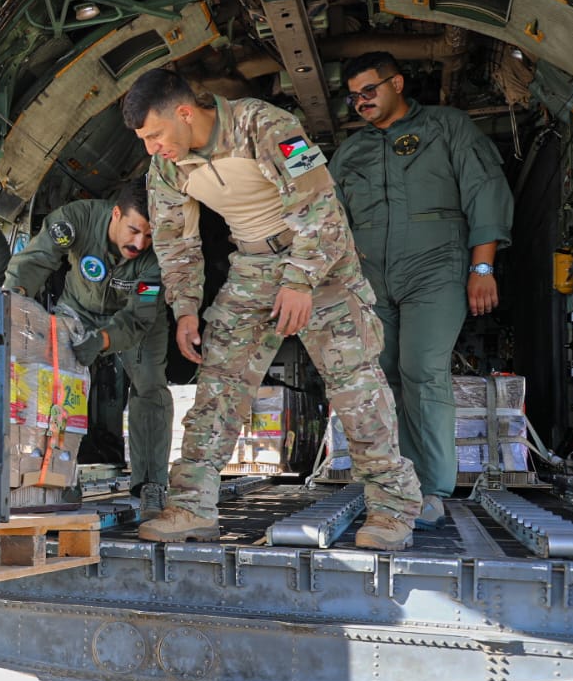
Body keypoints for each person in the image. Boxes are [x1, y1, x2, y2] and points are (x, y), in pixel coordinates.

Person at [121, 69, 421, 550]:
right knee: (219, 381)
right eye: (143, 140)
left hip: (321, 260)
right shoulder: (166, 168)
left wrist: (301, 281)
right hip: (254, 264)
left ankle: (392, 509)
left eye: (155, 136)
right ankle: (192, 506)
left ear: (184, 113)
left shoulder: (262, 125)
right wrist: (187, 310)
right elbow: (177, 243)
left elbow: (319, 203)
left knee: (355, 387)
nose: (152, 148)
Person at [329, 51, 514, 527]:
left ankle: (432, 489)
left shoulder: (447, 127)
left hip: (435, 269)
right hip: (372, 280)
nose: (361, 102)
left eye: (369, 91)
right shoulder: (350, 152)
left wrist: (483, 269)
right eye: (353, 97)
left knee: (421, 369)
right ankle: (398, 485)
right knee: (384, 377)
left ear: (397, 82)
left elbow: (484, 191)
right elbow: (329, 223)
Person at [4, 180, 173, 513]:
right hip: (79, 308)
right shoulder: (76, 219)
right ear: (115, 214)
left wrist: (103, 341)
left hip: (135, 321)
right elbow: (35, 260)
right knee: (57, 383)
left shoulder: (154, 259)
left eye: (149, 235)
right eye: (134, 230)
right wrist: (11, 301)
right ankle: (61, 476)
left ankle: (150, 484)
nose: (140, 243)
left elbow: (138, 318)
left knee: (150, 386)